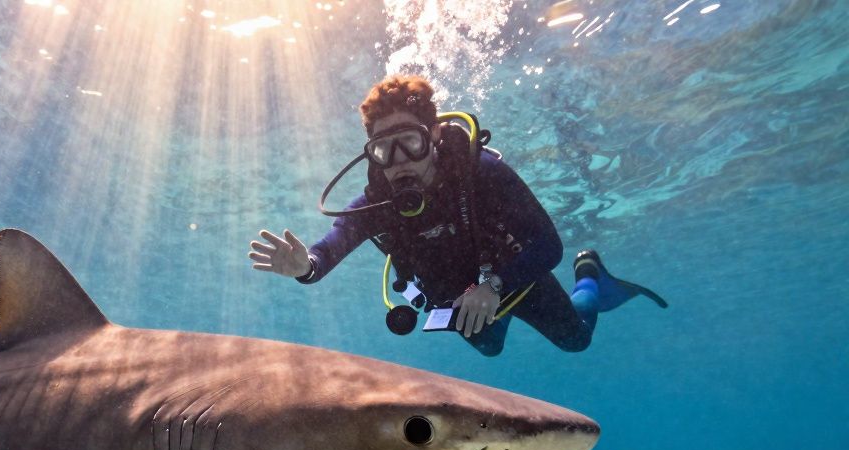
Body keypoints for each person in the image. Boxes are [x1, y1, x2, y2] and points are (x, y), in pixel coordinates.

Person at [249, 74, 665, 356]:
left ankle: (590, 278)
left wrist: (494, 287)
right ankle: (498, 319)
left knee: (576, 341)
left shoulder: (481, 173)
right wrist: (306, 266)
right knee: (491, 349)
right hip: (459, 301)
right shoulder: (377, 205)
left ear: (431, 136)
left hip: (519, 282)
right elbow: (331, 247)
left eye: (409, 142)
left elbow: (548, 244)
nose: (398, 162)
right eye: (383, 149)